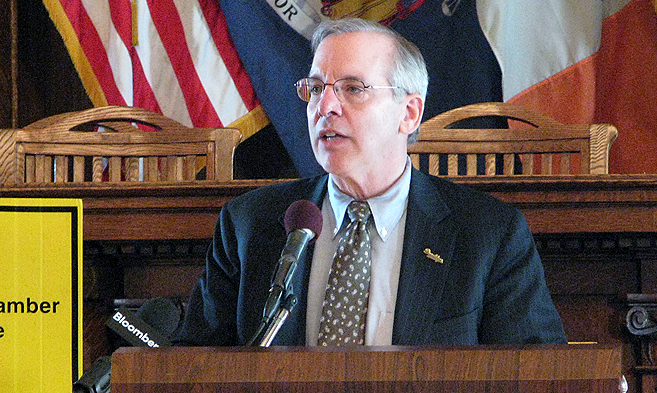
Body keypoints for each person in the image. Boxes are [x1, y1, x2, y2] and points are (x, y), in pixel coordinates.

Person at [176, 18, 566, 347]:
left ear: (409, 113)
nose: (324, 107)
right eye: (315, 89)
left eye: (353, 89)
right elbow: (194, 366)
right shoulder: (249, 224)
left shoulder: (489, 234)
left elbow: (536, 377)